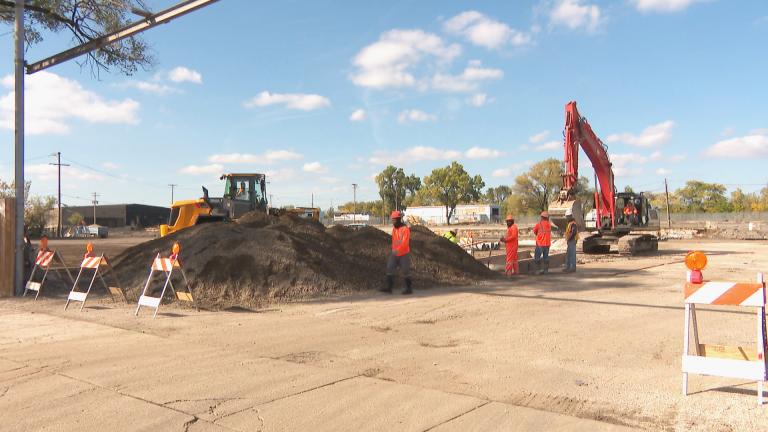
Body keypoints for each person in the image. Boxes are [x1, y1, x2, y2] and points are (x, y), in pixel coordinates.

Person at [381, 210, 412, 295]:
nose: (393, 221)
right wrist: (393, 250)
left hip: (404, 253)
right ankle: (389, 288)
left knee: (405, 270)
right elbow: (394, 241)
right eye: (392, 220)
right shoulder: (394, 229)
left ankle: (409, 288)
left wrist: (397, 250)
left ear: (398, 219)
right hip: (394, 253)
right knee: (389, 268)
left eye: (394, 220)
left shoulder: (405, 229)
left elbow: (405, 243)